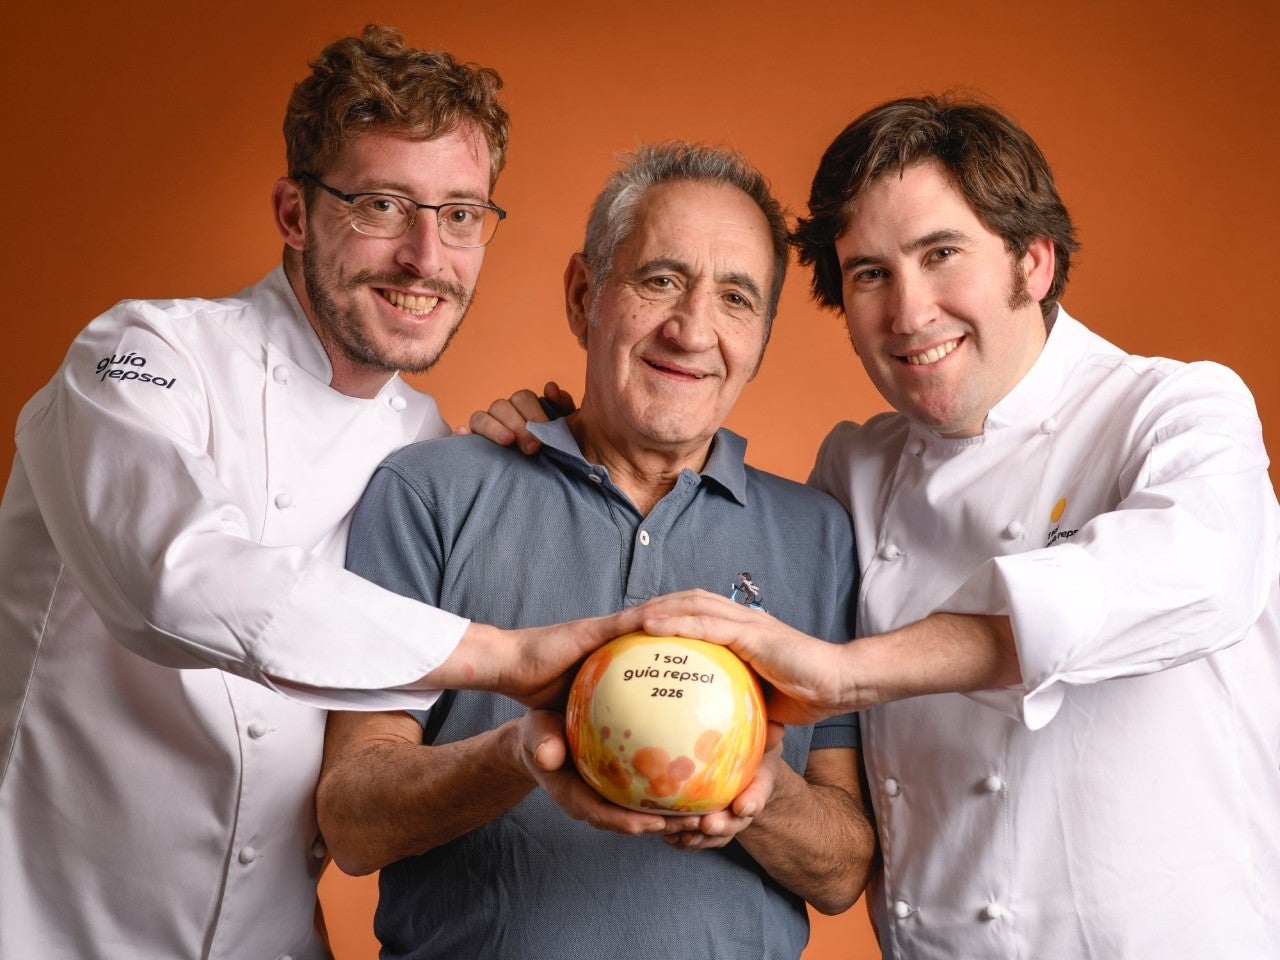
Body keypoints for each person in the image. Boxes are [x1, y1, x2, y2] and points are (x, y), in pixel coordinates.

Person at [0, 26, 652, 960]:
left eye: (462, 214)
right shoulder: (136, 359)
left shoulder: (428, 448)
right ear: (294, 213)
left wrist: (536, 458)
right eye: (384, 205)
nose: (427, 256)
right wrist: (506, 657)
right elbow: (177, 583)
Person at [631, 96, 1280, 958]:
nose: (908, 312)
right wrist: (564, 438)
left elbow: (1202, 575)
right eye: (869, 274)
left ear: (1035, 262)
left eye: (942, 253)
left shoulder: (1170, 410)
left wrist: (849, 670)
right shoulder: (856, 469)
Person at [316, 142, 876, 959]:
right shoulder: (429, 493)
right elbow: (353, 822)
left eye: (735, 299)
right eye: (660, 281)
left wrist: (761, 791)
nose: (692, 331)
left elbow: (842, 870)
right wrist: (520, 753)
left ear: (760, 336)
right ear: (585, 296)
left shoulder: (818, 535)